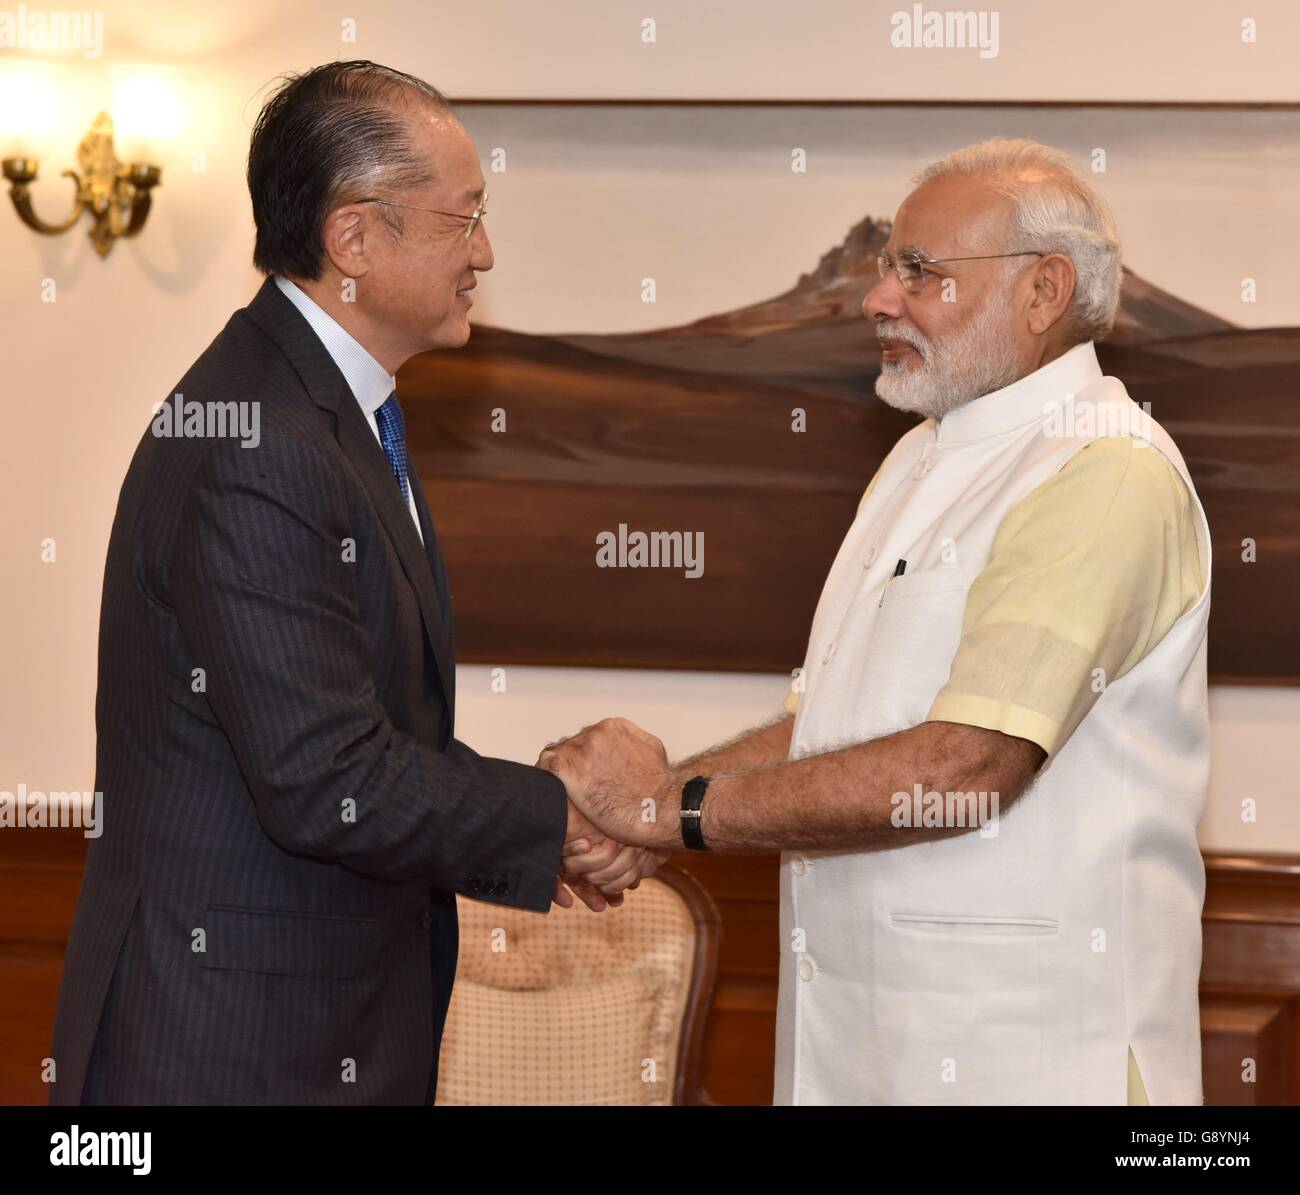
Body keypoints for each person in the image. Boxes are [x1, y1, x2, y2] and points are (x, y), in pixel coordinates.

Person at [543, 139, 1212, 1107]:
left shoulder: (1103, 470)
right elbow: (827, 728)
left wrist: (668, 811)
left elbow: (968, 765)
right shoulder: (915, 460)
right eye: (885, 267)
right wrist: (657, 806)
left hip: (1026, 1054)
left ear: (1043, 291)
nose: (877, 300)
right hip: (866, 1045)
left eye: (919, 272)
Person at [49, 60, 661, 1107]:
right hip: (227, 1049)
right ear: (354, 239)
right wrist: (560, 814)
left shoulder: (322, 414)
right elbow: (327, 776)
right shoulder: (264, 441)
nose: (485, 252)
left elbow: (364, 734)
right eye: (462, 218)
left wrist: (545, 814)